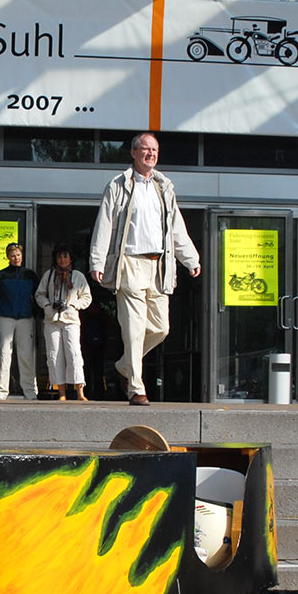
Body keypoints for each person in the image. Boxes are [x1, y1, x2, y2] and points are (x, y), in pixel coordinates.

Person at [88, 132, 201, 406]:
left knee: (161, 328)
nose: (151, 153)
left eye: (155, 149)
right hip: (129, 263)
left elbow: (176, 228)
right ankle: (136, 388)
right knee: (134, 329)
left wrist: (191, 259)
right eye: (145, 149)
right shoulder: (119, 185)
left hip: (159, 266)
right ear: (134, 153)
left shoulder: (164, 187)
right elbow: (105, 223)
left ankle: (126, 365)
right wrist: (97, 260)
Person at [35, 244, 93, 401]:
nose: (62, 260)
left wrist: (74, 305)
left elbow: (87, 297)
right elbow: (39, 294)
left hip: (70, 319)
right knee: (54, 355)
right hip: (51, 320)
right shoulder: (49, 275)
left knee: (74, 353)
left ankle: (80, 391)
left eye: (65, 256)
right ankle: (61, 393)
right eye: (60, 256)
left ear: (70, 258)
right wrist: (47, 306)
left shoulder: (78, 276)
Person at [0, 242, 40, 400]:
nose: (16, 258)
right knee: (4, 354)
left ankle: (30, 392)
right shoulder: (0, 276)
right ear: (8, 257)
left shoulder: (30, 275)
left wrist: (36, 314)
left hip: (26, 319)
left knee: (26, 355)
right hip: (5, 318)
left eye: (18, 255)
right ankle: (0, 391)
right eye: (13, 255)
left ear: (22, 256)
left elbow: (38, 296)